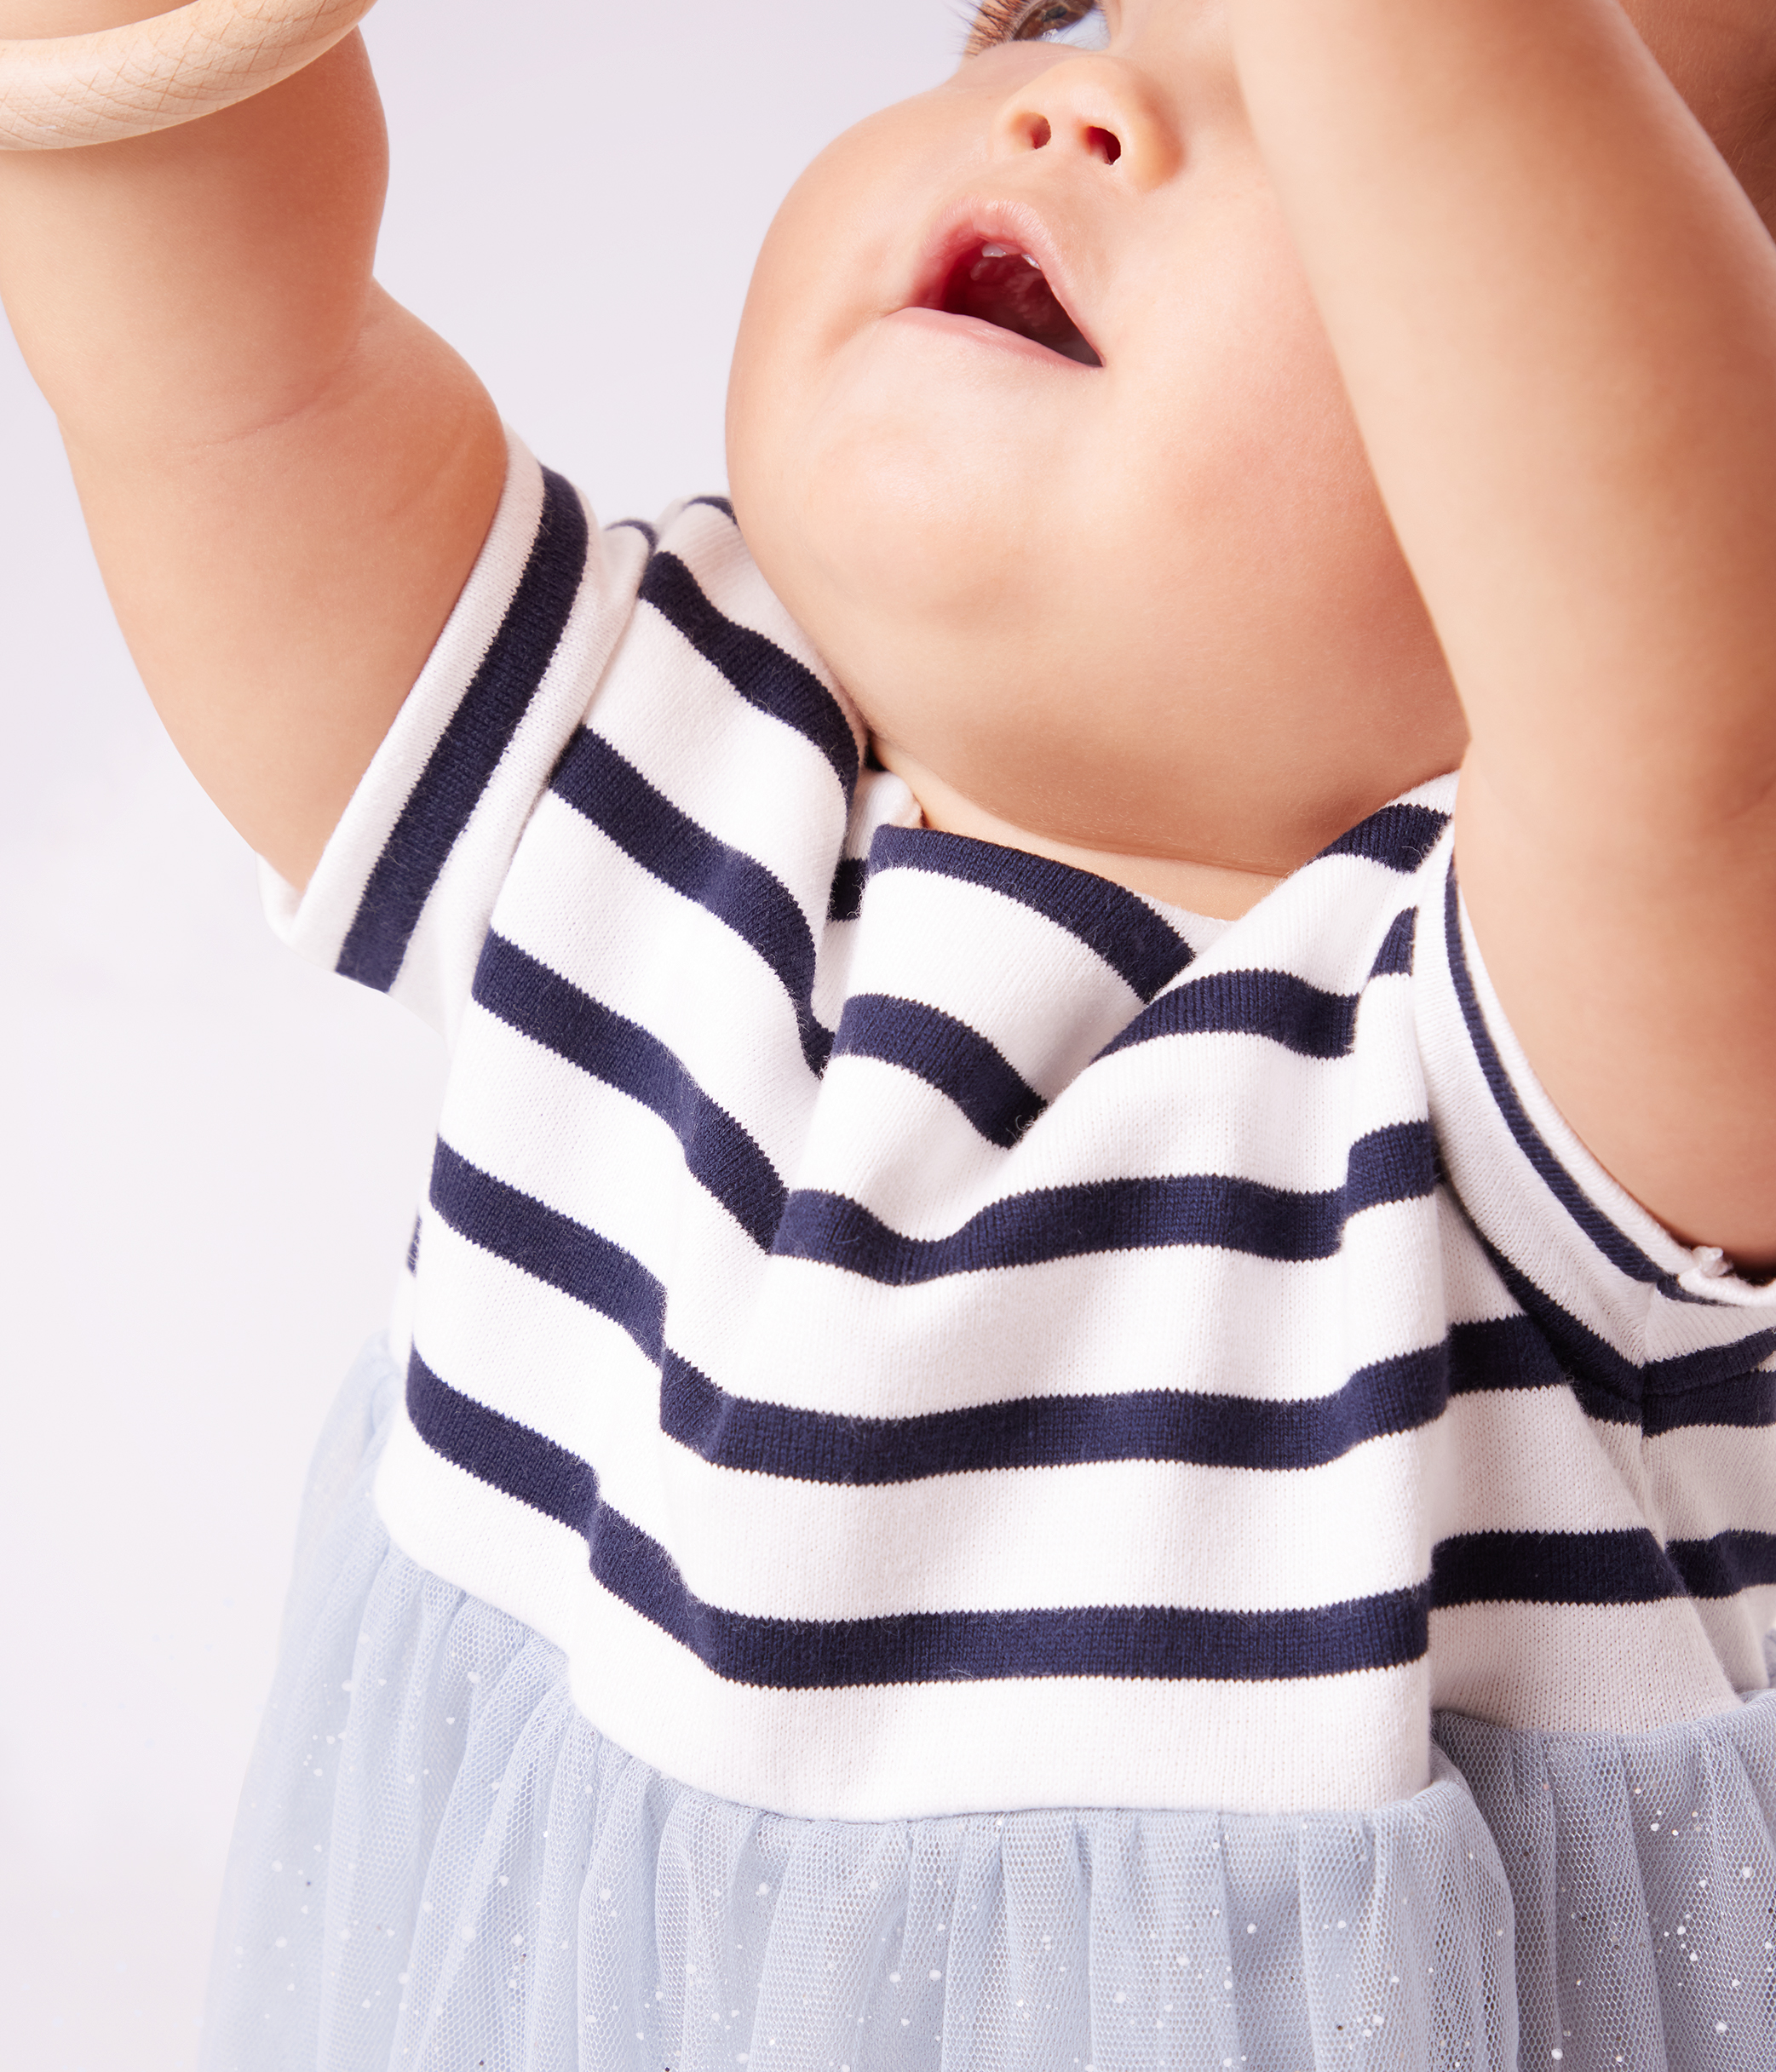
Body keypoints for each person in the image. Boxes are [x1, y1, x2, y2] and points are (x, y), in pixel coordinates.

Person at [3, 0, 1776, 2064]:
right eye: (1080, 10)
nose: (1084, 101)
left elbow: (1683, 701)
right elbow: (228, 354)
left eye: (1346, 99)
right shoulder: (623, 759)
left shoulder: (1545, 1068)